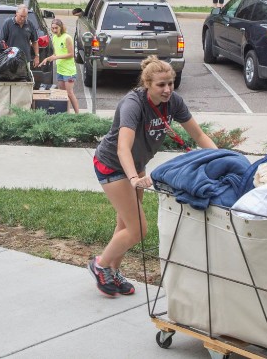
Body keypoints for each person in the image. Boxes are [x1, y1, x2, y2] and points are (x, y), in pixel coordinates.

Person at [88, 56, 217, 296]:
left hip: (136, 167)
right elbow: (122, 147)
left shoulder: (174, 102)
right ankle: (100, 265)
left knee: (126, 224)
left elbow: (199, 136)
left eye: (170, 83)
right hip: (112, 165)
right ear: (147, 84)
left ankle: (113, 273)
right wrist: (134, 178)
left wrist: (224, 160)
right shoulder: (133, 104)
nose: (167, 89)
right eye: (161, 85)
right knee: (138, 230)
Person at [38, 18, 80, 113]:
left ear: (61, 27)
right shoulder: (55, 38)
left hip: (69, 71)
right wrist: (47, 59)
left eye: (56, 28)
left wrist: (56, 58)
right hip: (60, 70)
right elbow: (56, 54)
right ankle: (66, 113)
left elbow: (71, 54)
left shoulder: (67, 37)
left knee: (69, 93)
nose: (54, 30)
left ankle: (78, 114)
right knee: (62, 94)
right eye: (52, 28)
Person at [0, 4, 40, 80]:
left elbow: (35, 41)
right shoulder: (8, 24)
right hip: (10, 59)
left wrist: (37, 56)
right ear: (16, 13)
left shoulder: (30, 24)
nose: (23, 18)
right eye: (21, 16)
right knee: (11, 80)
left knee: (24, 81)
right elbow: (2, 41)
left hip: (25, 59)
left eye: (25, 16)